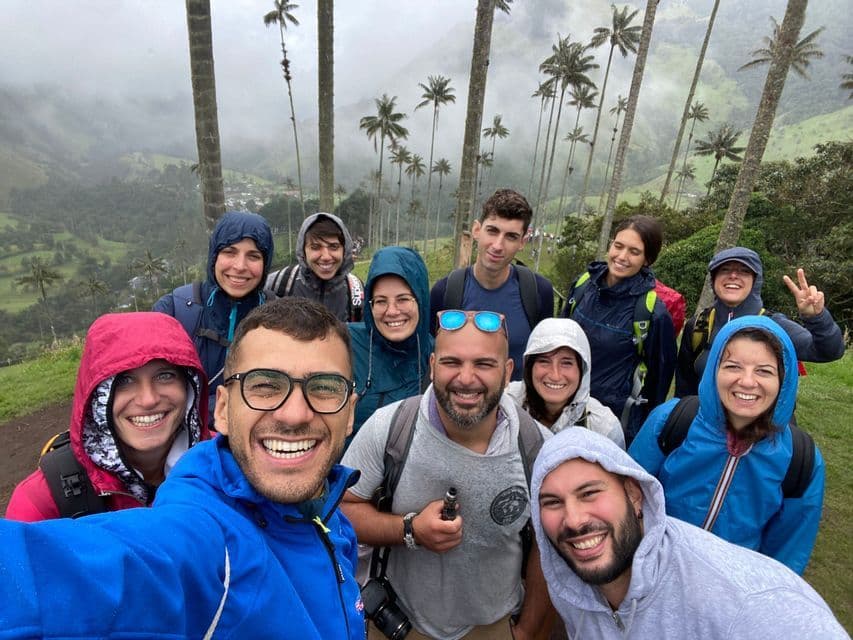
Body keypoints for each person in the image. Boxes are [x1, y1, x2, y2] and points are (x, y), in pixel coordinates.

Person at [0, 299, 364, 639]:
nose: (295, 414)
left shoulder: (329, 510)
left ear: (350, 413)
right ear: (222, 409)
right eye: (265, 386)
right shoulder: (209, 530)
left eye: (324, 388)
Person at [342, 309, 554, 640]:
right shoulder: (391, 428)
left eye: (484, 364)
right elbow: (340, 510)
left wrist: (527, 631)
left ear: (508, 371)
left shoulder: (537, 447)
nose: (466, 378)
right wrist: (409, 529)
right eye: (451, 362)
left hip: (494, 626)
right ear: (432, 365)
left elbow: (550, 544)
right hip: (400, 621)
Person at [531, 427, 848, 639]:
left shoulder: (749, 604)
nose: (573, 520)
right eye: (553, 502)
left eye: (589, 493)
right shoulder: (572, 585)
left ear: (634, 494)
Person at [629, 315, 824, 574]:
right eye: (733, 366)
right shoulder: (672, 421)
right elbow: (626, 500)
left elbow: (785, 558)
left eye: (764, 371)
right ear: (714, 370)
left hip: (729, 596)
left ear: (784, 381)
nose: (746, 381)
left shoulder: (801, 461)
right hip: (652, 573)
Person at [6, 312, 210, 521]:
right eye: (124, 381)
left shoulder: (230, 461)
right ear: (95, 397)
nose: (148, 399)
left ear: (190, 386)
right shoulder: (40, 505)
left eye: (165, 376)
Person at [560, 214, 676, 445]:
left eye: (634, 252)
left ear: (647, 260)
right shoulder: (584, 284)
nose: (622, 257)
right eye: (618, 246)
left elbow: (658, 384)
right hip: (560, 402)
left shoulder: (652, 313)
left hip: (606, 418)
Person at [675, 246, 845, 396]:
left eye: (744, 271)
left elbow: (829, 352)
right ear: (714, 279)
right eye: (725, 270)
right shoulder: (698, 325)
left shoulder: (775, 326)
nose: (733, 275)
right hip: (706, 427)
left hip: (763, 428)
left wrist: (816, 317)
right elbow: (685, 387)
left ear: (755, 282)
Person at [154, 210, 274, 414]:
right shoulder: (174, 310)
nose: (239, 266)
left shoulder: (279, 317)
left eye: (253, 256)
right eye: (229, 252)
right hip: (187, 441)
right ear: (214, 256)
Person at [430, 189, 554, 381]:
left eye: (511, 236)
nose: (497, 245)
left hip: (518, 405)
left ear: (523, 242)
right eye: (492, 231)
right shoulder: (445, 292)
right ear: (477, 230)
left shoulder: (538, 292)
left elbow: (544, 357)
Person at [348, 246, 432, 443]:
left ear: (421, 300)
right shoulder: (345, 343)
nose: (392, 311)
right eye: (380, 301)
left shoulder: (439, 356)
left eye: (403, 299)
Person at [506, 317, 625, 449]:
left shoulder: (603, 428)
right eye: (544, 361)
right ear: (530, 366)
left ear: (583, 370)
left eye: (566, 363)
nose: (555, 375)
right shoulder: (504, 406)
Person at [265, 211, 364, 323]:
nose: (326, 257)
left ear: (344, 250)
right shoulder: (278, 283)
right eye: (315, 247)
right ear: (303, 251)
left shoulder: (357, 292)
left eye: (334, 247)